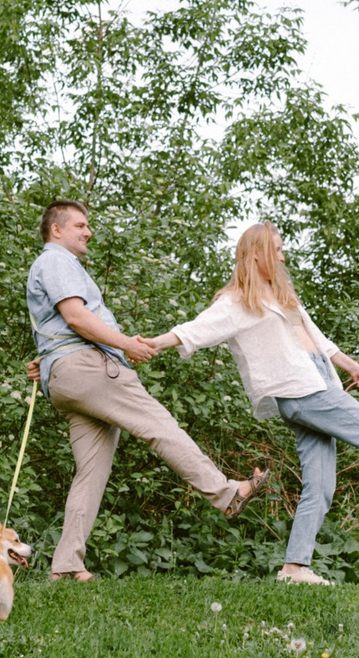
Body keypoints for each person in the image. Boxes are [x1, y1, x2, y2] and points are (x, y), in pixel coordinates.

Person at [148, 222, 359, 584]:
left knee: (321, 483)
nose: (282, 256)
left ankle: (294, 567)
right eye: (276, 250)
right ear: (257, 253)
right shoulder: (235, 301)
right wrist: (151, 344)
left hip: (318, 380)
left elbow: (314, 337)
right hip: (298, 390)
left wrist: (349, 364)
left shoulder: (280, 292)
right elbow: (194, 331)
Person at [27, 199, 265, 581]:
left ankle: (67, 565)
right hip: (91, 369)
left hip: (66, 378)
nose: (88, 232)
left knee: (91, 473)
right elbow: (76, 316)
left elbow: (57, 325)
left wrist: (52, 362)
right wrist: (125, 343)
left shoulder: (49, 266)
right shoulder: (56, 261)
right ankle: (226, 493)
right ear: (56, 230)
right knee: (160, 427)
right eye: (80, 225)